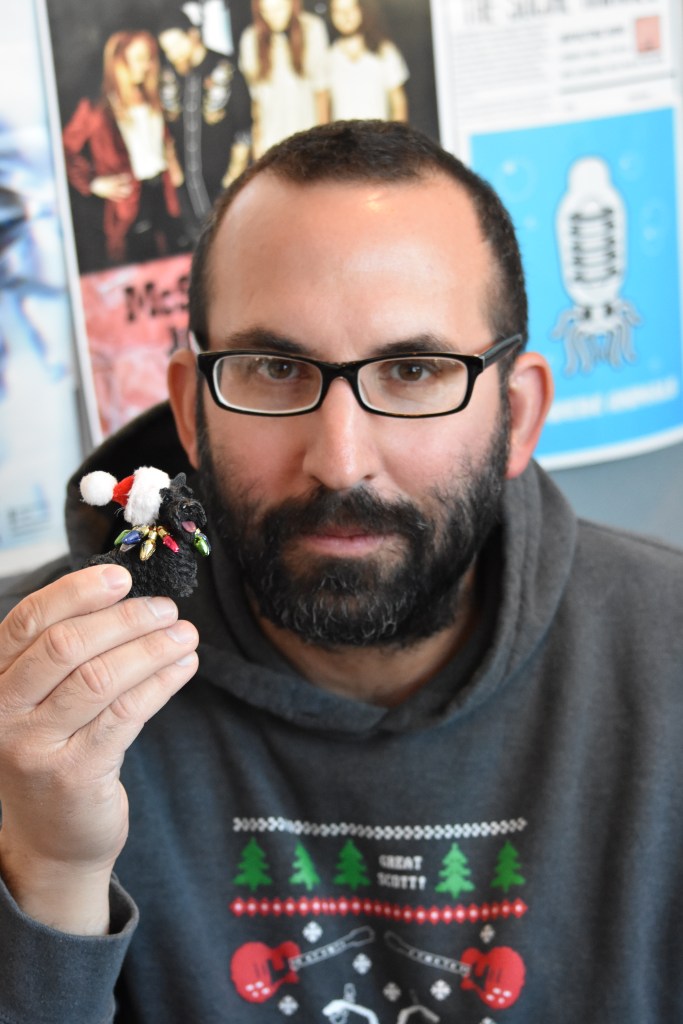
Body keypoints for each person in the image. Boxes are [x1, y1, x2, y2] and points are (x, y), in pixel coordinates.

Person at [1, 120, 682, 1022]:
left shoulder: (669, 664)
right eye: (275, 368)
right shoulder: (29, 697)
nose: (340, 461)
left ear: (516, 416)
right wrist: (48, 875)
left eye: (413, 370)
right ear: (191, 412)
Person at [62, 30, 185, 267]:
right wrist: (92, 183)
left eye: (149, 58)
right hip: (129, 204)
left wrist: (173, 163)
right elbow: (64, 149)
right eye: (138, 58)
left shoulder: (153, 95)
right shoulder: (96, 107)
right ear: (119, 60)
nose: (146, 65)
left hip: (164, 194)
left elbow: (163, 141)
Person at [157, 9, 252, 242]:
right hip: (188, 193)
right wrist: (177, 179)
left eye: (176, 45)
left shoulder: (226, 69)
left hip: (226, 189)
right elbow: (167, 129)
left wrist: (231, 182)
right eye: (167, 49)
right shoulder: (169, 75)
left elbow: (244, 130)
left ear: (193, 35)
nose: (173, 54)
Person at [238, 0, 329, 158]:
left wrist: (323, 142)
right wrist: (258, 144)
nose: (273, 17)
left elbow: (321, 93)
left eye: (279, 9)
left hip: (307, 142)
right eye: (266, 11)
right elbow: (256, 101)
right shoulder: (250, 38)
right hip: (271, 143)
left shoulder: (312, 28)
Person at [328, 0, 409, 122]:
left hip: (377, 133)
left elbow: (398, 103)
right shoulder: (328, 57)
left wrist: (396, 133)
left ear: (363, 9)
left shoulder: (384, 51)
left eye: (352, 8)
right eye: (338, 11)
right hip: (343, 134)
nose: (345, 16)